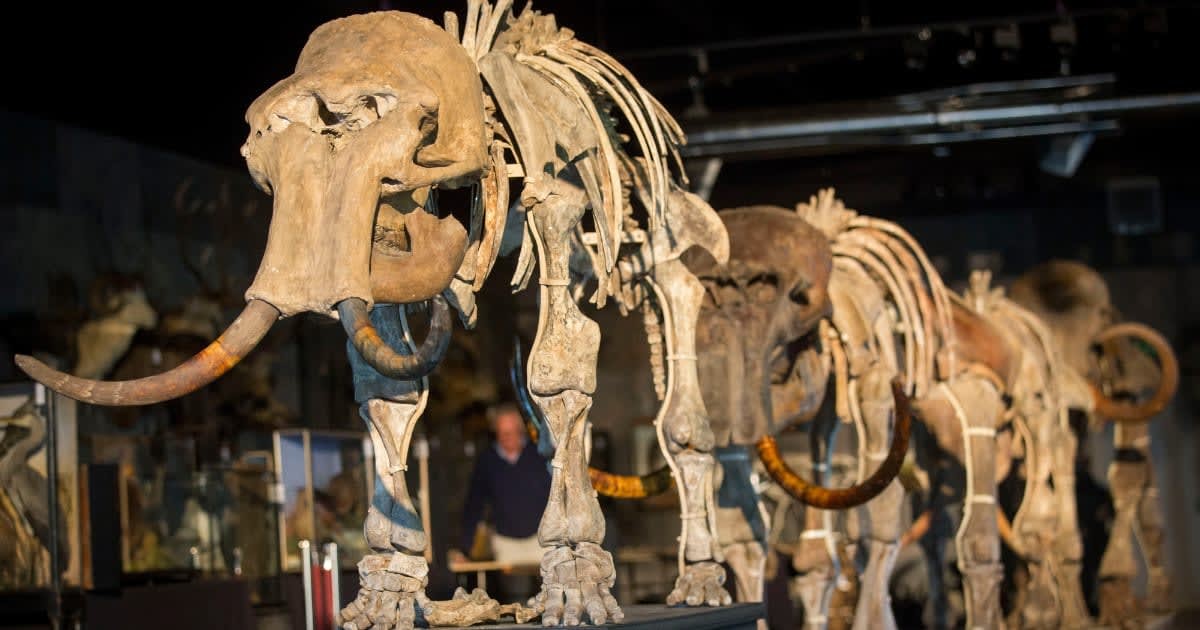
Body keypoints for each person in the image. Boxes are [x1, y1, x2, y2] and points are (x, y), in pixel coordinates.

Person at [450, 402, 550, 570]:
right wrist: (464, 549)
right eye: (501, 433)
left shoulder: (539, 455)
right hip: (506, 543)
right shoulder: (487, 461)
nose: (506, 438)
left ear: (521, 431)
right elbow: (474, 506)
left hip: (540, 541)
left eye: (510, 433)